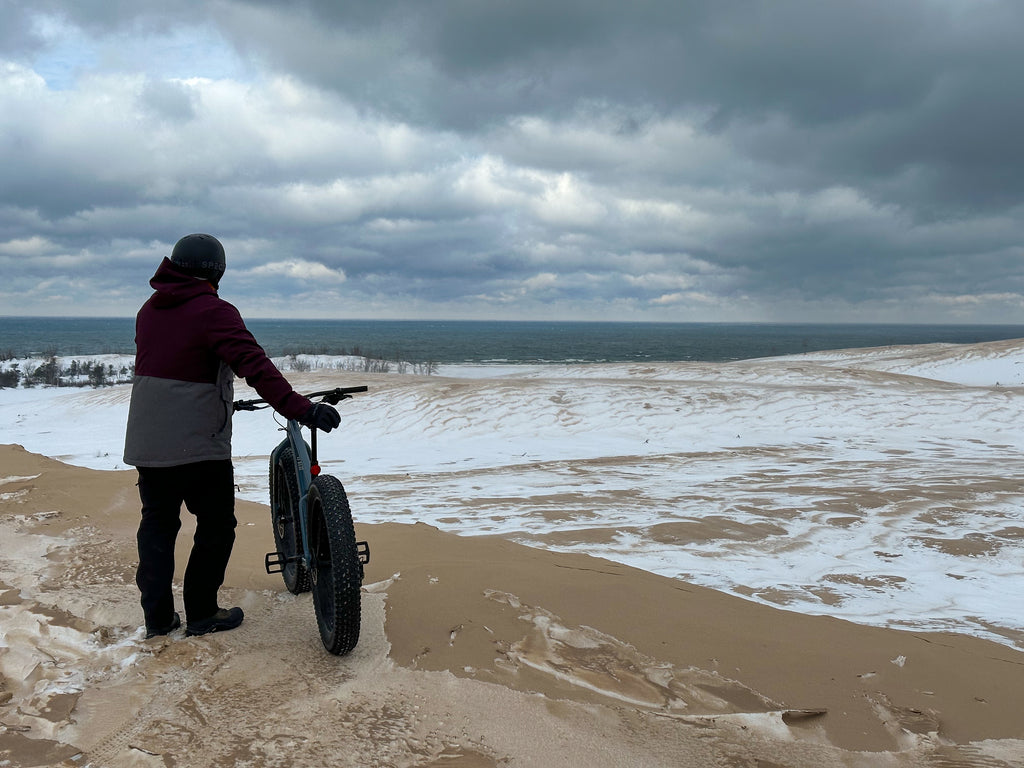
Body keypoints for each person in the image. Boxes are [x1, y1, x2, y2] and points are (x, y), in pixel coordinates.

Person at [123, 233, 340, 639]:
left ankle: (157, 620)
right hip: (197, 442)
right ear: (217, 271)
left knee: (157, 524)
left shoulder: (149, 310)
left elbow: (177, 362)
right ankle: (203, 612)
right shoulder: (213, 311)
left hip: (147, 441)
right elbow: (253, 366)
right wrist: (301, 408)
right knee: (217, 525)